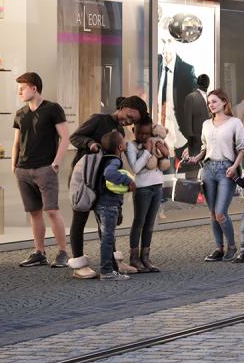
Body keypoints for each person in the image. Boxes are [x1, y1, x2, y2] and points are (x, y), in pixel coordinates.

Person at [65, 97, 147, 278]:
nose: (128, 121)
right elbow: (74, 137)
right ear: (123, 107)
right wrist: (90, 144)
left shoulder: (119, 130)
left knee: (107, 222)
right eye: (129, 116)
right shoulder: (98, 119)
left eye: (132, 121)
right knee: (80, 219)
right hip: (84, 178)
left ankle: (113, 262)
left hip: (103, 181)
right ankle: (79, 264)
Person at [10, 72, 71, 268]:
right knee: (34, 212)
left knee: (52, 210)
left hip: (45, 168)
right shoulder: (20, 113)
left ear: (34, 88)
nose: (19, 92)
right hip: (23, 170)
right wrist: (14, 165)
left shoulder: (52, 109)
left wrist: (56, 163)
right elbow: (16, 142)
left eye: (22, 88)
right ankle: (39, 252)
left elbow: (65, 137)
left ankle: (63, 252)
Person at [185, 89, 244, 262]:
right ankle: (219, 248)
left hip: (227, 169)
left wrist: (234, 167)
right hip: (208, 169)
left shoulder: (235, 123)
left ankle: (232, 246)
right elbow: (205, 148)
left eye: (214, 101)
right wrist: (194, 158)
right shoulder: (206, 124)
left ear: (224, 102)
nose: (211, 105)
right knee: (212, 213)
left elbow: (242, 148)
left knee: (220, 213)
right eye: (209, 102)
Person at [83, 129, 133, 281]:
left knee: (106, 237)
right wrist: (128, 181)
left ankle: (110, 270)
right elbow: (109, 174)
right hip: (108, 204)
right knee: (108, 238)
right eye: (123, 142)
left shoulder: (102, 158)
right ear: (120, 147)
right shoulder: (115, 161)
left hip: (100, 204)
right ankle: (107, 271)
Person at [123, 123, 170, 273]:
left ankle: (146, 257)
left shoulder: (156, 141)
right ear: (133, 130)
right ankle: (134, 258)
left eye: (146, 133)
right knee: (139, 222)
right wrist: (147, 152)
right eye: (140, 133)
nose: (143, 136)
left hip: (157, 185)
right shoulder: (131, 145)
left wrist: (164, 151)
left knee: (150, 224)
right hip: (142, 187)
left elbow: (165, 162)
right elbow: (135, 168)